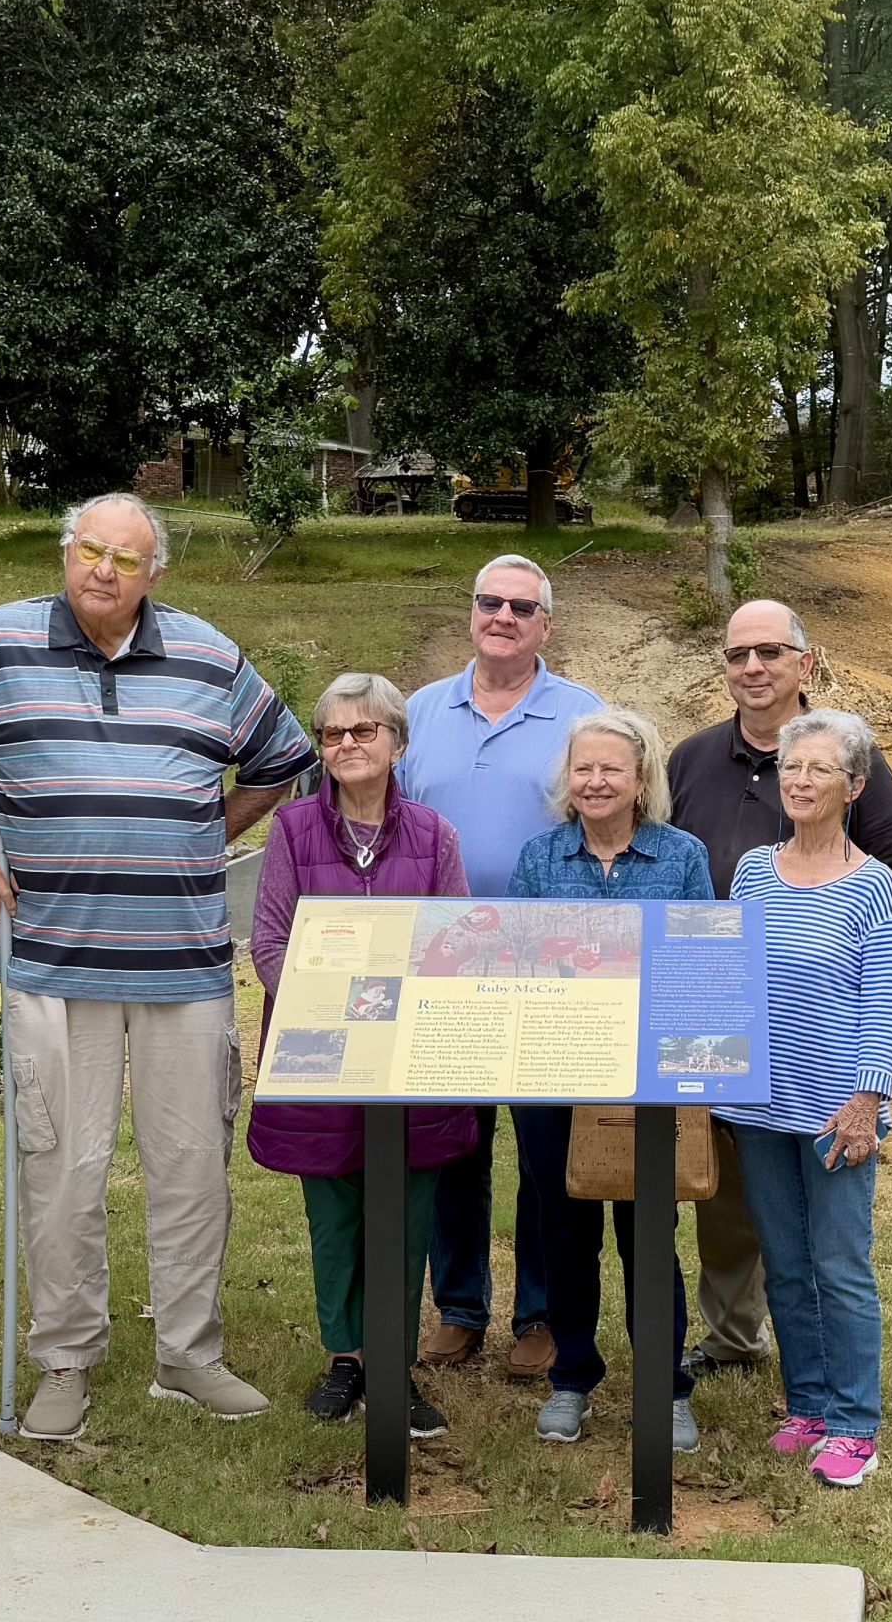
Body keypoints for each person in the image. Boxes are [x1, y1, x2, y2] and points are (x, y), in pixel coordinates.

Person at [0, 494, 315, 1441]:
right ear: (63, 551)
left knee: (192, 1167)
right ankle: (66, 1356)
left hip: (186, 969)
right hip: (51, 964)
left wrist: (205, 836)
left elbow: (281, 760)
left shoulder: (209, 654)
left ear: (156, 574)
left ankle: (189, 1357)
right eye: (89, 549)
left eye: (126, 556)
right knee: (61, 1170)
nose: (104, 569)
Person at [665, 598, 892, 1381]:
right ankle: (744, 1343)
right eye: (739, 654)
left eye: (771, 652)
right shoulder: (694, 763)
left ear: (803, 663)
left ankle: (841, 1399)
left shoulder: (850, 764)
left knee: (831, 1246)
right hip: (737, 1046)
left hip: (828, 1052)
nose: (753, 668)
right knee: (740, 1208)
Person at [247, 672, 477, 1437]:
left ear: (397, 744)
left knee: (407, 1213)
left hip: (411, 1057)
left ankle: (394, 1363)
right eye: (333, 733)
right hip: (318, 1056)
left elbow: (453, 945)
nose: (346, 744)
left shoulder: (437, 835)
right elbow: (270, 942)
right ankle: (345, 1358)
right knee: (334, 1214)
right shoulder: (290, 831)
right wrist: (339, 1015)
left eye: (363, 731)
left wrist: (392, 1020)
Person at [397, 554, 601, 1376]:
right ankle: (459, 1307)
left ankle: (541, 1316)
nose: (504, 616)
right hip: (443, 960)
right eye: (490, 601)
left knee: (546, 1151)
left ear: (546, 625)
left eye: (522, 606)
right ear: (471, 612)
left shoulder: (583, 715)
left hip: (549, 962)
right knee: (453, 1145)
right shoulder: (419, 711)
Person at [505, 708, 710, 1453]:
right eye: (583, 769)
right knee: (564, 1234)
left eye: (610, 769)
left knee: (648, 1235)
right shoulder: (539, 859)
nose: (594, 782)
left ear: (640, 779)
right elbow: (519, 965)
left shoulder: (682, 858)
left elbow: (700, 969)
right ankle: (572, 1380)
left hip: (647, 1083)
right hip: (553, 1078)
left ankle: (667, 1388)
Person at [724, 708, 892, 1489]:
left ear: (854, 786)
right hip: (758, 1103)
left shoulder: (870, 887)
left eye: (819, 770)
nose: (799, 782)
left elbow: (882, 1004)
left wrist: (868, 1100)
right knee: (787, 1266)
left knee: (840, 1265)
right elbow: (724, 980)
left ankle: (855, 1423)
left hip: (836, 1109)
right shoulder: (752, 873)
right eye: (791, 769)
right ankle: (806, 1406)